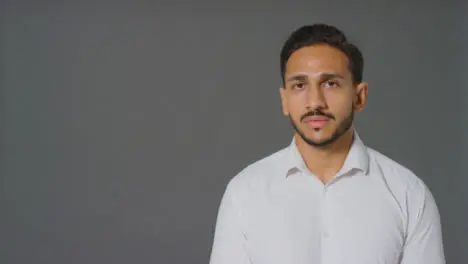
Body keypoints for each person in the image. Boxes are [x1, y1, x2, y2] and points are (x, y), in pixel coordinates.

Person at [208, 23, 445, 264]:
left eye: (330, 83)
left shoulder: (408, 195)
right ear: (285, 100)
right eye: (299, 85)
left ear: (359, 96)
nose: (315, 102)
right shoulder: (244, 193)